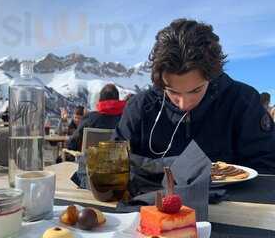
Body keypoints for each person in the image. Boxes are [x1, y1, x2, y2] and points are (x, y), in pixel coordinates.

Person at [114, 19, 275, 174]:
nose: (184, 104)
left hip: (230, 199)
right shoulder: (140, 107)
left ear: (212, 76)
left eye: (195, 90)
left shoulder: (243, 102)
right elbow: (114, 162)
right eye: (173, 92)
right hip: (153, 200)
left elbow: (266, 165)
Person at [67, 84, 126, 151]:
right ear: (118, 99)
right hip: (117, 160)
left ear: (100, 99)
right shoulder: (125, 119)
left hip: (90, 160)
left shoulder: (90, 118)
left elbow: (72, 143)